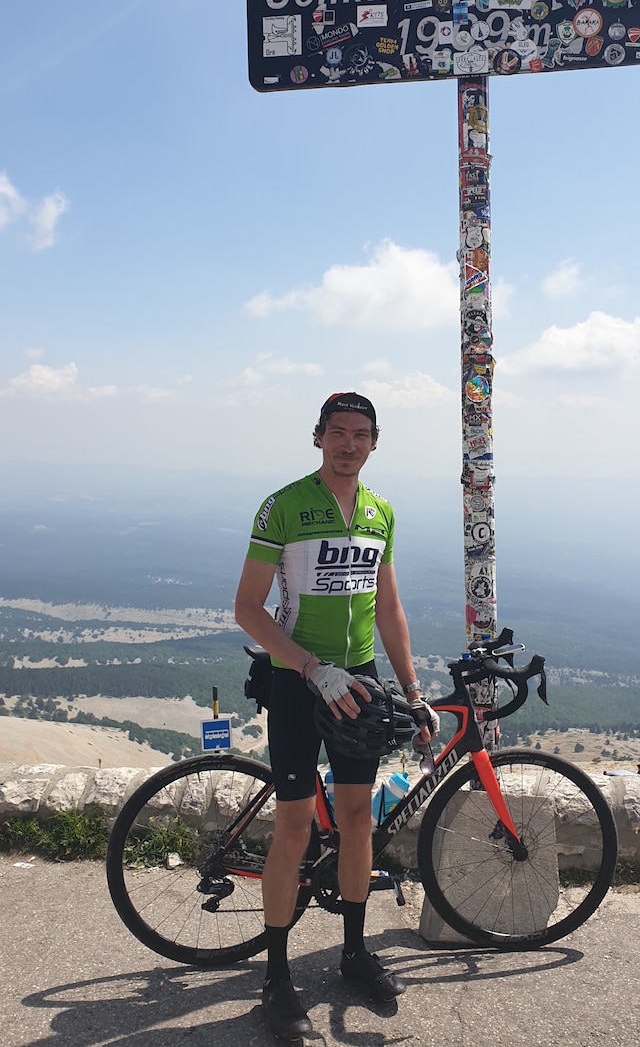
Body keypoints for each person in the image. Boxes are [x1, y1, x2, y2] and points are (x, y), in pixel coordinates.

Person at [234, 392, 437, 1040]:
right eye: (339, 432)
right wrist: (310, 668)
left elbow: (388, 610)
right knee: (293, 828)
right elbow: (248, 608)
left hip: (361, 680)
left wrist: (410, 688)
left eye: (362, 434)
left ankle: (353, 950)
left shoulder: (380, 513)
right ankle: (275, 973)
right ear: (318, 436)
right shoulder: (283, 505)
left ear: (374, 443)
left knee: (355, 819)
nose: (349, 443)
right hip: (299, 680)